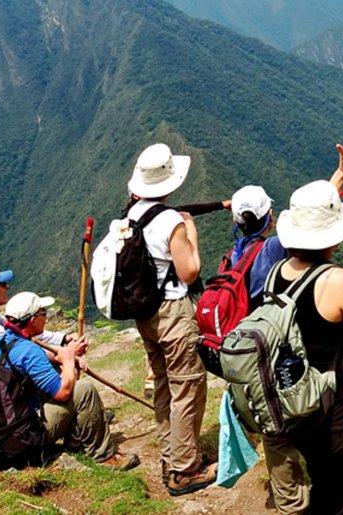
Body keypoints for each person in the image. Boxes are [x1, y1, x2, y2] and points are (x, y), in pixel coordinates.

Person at [184, 144, 343, 514]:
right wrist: (339, 177)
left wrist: (340, 176)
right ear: (269, 220)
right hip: (284, 356)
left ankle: (289, 504)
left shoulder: (233, 256)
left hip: (249, 361)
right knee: (305, 424)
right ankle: (327, 493)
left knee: (275, 434)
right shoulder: (273, 250)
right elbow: (314, 226)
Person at [274, 179, 343, 514]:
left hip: (300, 411)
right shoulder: (340, 280)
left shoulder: (276, 273)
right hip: (342, 412)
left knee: (324, 485)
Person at [124, 142, 215, 495]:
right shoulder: (171, 221)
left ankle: (171, 453)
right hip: (173, 312)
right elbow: (190, 272)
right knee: (188, 386)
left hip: (144, 314)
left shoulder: (129, 216)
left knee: (163, 383)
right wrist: (190, 232)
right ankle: (184, 469)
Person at [0, 291, 139, 470]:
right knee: (84, 390)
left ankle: (75, 437)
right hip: (25, 436)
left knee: (56, 371)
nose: (46, 318)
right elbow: (62, 393)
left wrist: (60, 357)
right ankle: (104, 457)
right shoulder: (28, 351)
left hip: (3, 432)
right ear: (32, 320)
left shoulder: (0, 343)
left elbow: (34, 359)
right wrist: (69, 360)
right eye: (43, 314)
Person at [0, 267, 72, 388]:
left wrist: (65, 338)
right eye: (3, 285)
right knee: (44, 370)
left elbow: (20, 330)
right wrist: (66, 357)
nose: (7, 288)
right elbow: (26, 352)